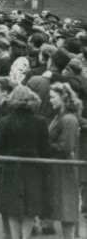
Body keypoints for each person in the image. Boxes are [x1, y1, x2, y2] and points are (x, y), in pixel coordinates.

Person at [0, 85, 49, 239]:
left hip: (11, 167)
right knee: (30, 208)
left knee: (12, 207)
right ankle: (25, 236)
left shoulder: (5, 121)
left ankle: (15, 236)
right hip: (33, 167)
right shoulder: (41, 121)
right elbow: (45, 149)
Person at [43, 82, 81, 239]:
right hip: (58, 168)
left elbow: (65, 147)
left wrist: (45, 144)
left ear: (63, 98)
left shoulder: (68, 119)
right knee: (63, 209)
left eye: (53, 97)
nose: (50, 100)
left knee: (66, 211)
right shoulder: (60, 116)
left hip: (64, 169)